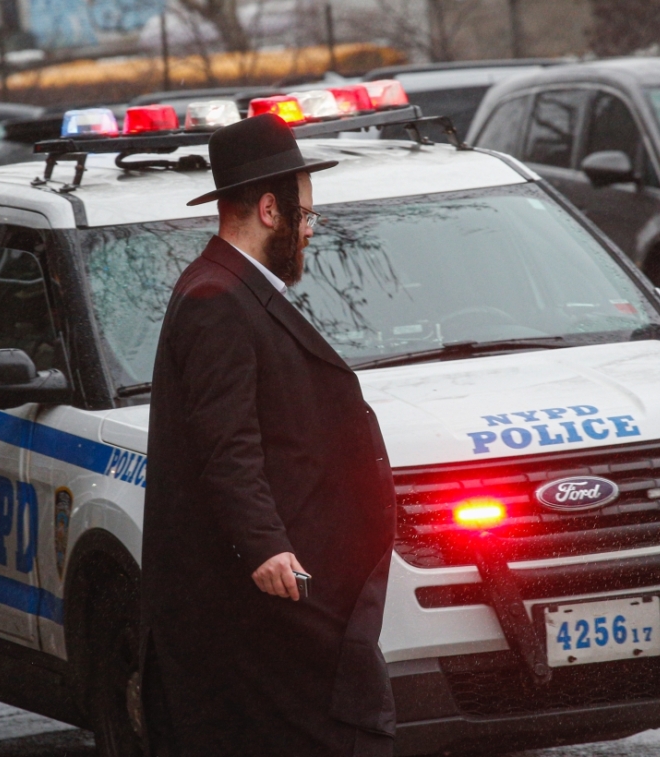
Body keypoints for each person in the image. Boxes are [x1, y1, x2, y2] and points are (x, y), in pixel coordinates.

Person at [141, 114, 398, 757]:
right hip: (258, 610)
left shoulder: (235, 290)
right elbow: (225, 443)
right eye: (306, 217)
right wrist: (265, 548)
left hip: (281, 599)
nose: (310, 232)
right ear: (268, 209)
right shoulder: (215, 299)